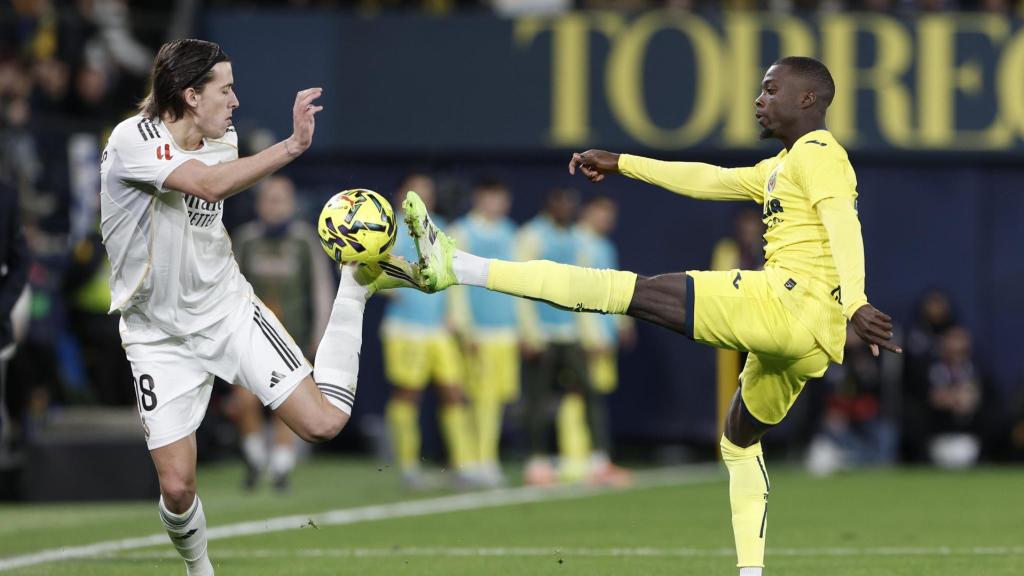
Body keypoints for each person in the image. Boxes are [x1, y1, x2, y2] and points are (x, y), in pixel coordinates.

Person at [402, 56, 901, 576]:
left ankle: (457, 265)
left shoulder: (820, 153)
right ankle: (752, 573)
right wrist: (624, 162)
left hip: (785, 302)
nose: (759, 99)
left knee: (624, 291)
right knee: (738, 441)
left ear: (807, 99)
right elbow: (707, 179)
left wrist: (857, 303)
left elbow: (842, 222)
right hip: (807, 340)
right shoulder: (780, 167)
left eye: (771, 89)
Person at [99, 39, 423, 576]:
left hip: (226, 311)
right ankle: (199, 567)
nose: (235, 101)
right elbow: (203, 182)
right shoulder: (135, 139)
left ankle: (354, 289)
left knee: (322, 424)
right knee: (178, 488)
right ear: (189, 95)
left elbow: (220, 172)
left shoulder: (222, 139)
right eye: (225, 88)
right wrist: (293, 146)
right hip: (155, 333)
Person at [231, 175, 334, 491]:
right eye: (268, 199)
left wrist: (321, 335)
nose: (274, 206)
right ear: (259, 204)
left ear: (291, 204)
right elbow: (228, 287)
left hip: (293, 337)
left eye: (280, 200)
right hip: (250, 337)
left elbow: (320, 289)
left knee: (285, 405)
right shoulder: (246, 239)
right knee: (244, 402)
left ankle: (280, 467)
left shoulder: (304, 241)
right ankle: (254, 454)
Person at [381, 175, 476, 490]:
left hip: (438, 329)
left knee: (454, 392)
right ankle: (408, 465)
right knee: (408, 394)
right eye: (416, 190)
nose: (423, 196)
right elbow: (363, 263)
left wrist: (455, 317)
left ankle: (463, 465)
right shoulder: (387, 226)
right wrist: (387, 287)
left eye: (428, 191)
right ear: (400, 195)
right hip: (405, 328)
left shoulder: (436, 228)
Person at [448, 177, 520, 487]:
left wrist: (519, 327)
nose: (499, 204)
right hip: (478, 331)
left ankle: (481, 458)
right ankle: (475, 460)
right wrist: (465, 327)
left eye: (503, 198)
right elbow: (454, 282)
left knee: (497, 399)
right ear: (480, 197)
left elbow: (520, 283)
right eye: (493, 197)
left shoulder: (510, 233)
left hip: (505, 331)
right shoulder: (462, 231)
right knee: (478, 398)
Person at [575, 195, 634, 486]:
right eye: (602, 212)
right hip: (588, 334)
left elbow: (613, 289)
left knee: (593, 394)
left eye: (611, 214)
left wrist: (622, 322)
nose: (608, 219)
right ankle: (581, 460)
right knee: (582, 394)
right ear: (588, 211)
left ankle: (591, 459)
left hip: (603, 331)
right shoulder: (579, 243)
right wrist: (592, 334)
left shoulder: (604, 245)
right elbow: (579, 293)